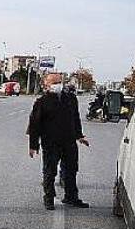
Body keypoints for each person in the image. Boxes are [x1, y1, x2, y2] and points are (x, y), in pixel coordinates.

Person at [27, 73, 90, 210]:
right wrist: (33, 145)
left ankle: (71, 197)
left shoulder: (71, 99)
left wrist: (80, 136)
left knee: (71, 170)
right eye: (54, 82)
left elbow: (75, 118)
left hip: (69, 142)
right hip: (51, 143)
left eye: (58, 82)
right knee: (50, 171)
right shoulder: (42, 102)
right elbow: (34, 125)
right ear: (47, 85)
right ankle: (49, 198)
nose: (57, 85)